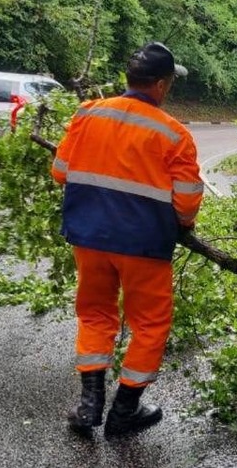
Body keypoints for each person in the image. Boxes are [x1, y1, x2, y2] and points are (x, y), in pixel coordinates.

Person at [51, 42, 204, 438]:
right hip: (144, 246)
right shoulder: (174, 134)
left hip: (90, 238)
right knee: (150, 325)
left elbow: (60, 171)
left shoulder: (88, 113)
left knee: (95, 314)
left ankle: (89, 405)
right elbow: (186, 199)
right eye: (169, 81)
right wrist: (184, 224)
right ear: (160, 84)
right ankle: (125, 410)